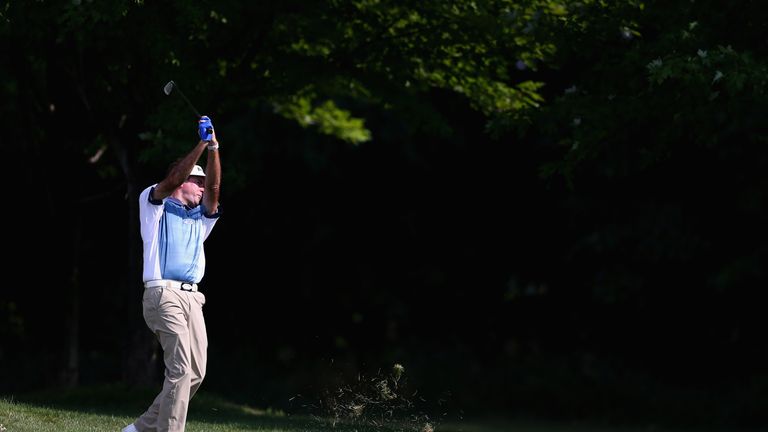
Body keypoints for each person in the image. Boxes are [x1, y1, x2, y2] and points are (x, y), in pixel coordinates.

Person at [123, 115, 222, 432]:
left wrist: (215, 147)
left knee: (195, 372)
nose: (203, 186)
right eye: (198, 180)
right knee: (180, 368)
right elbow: (174, 177)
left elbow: (215, 190)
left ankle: (140, 429)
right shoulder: (153, 204)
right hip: (162, 295)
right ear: (182, 181)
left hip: (194, 300)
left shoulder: (201, 218)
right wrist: (201, 144)